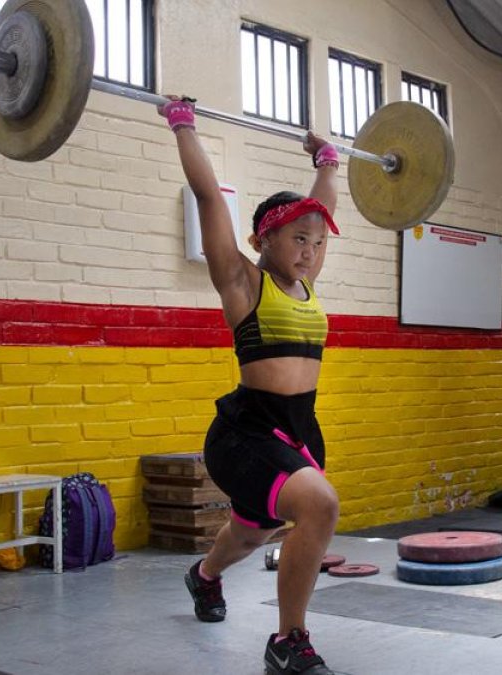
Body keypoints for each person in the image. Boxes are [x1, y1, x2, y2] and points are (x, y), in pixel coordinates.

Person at [160, 97, 340, 675]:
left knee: (250, 531)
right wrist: (183, 125)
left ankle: (204, 576)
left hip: (298, 429)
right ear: (264, 240)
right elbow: (211, 197)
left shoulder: (305, 282)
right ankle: (289, 640)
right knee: (319, 505)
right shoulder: (243, 282)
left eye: (317, 242)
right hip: (246, 431)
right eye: (297, 241)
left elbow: (322, 208)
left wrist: (328, 160)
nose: (310, 252)